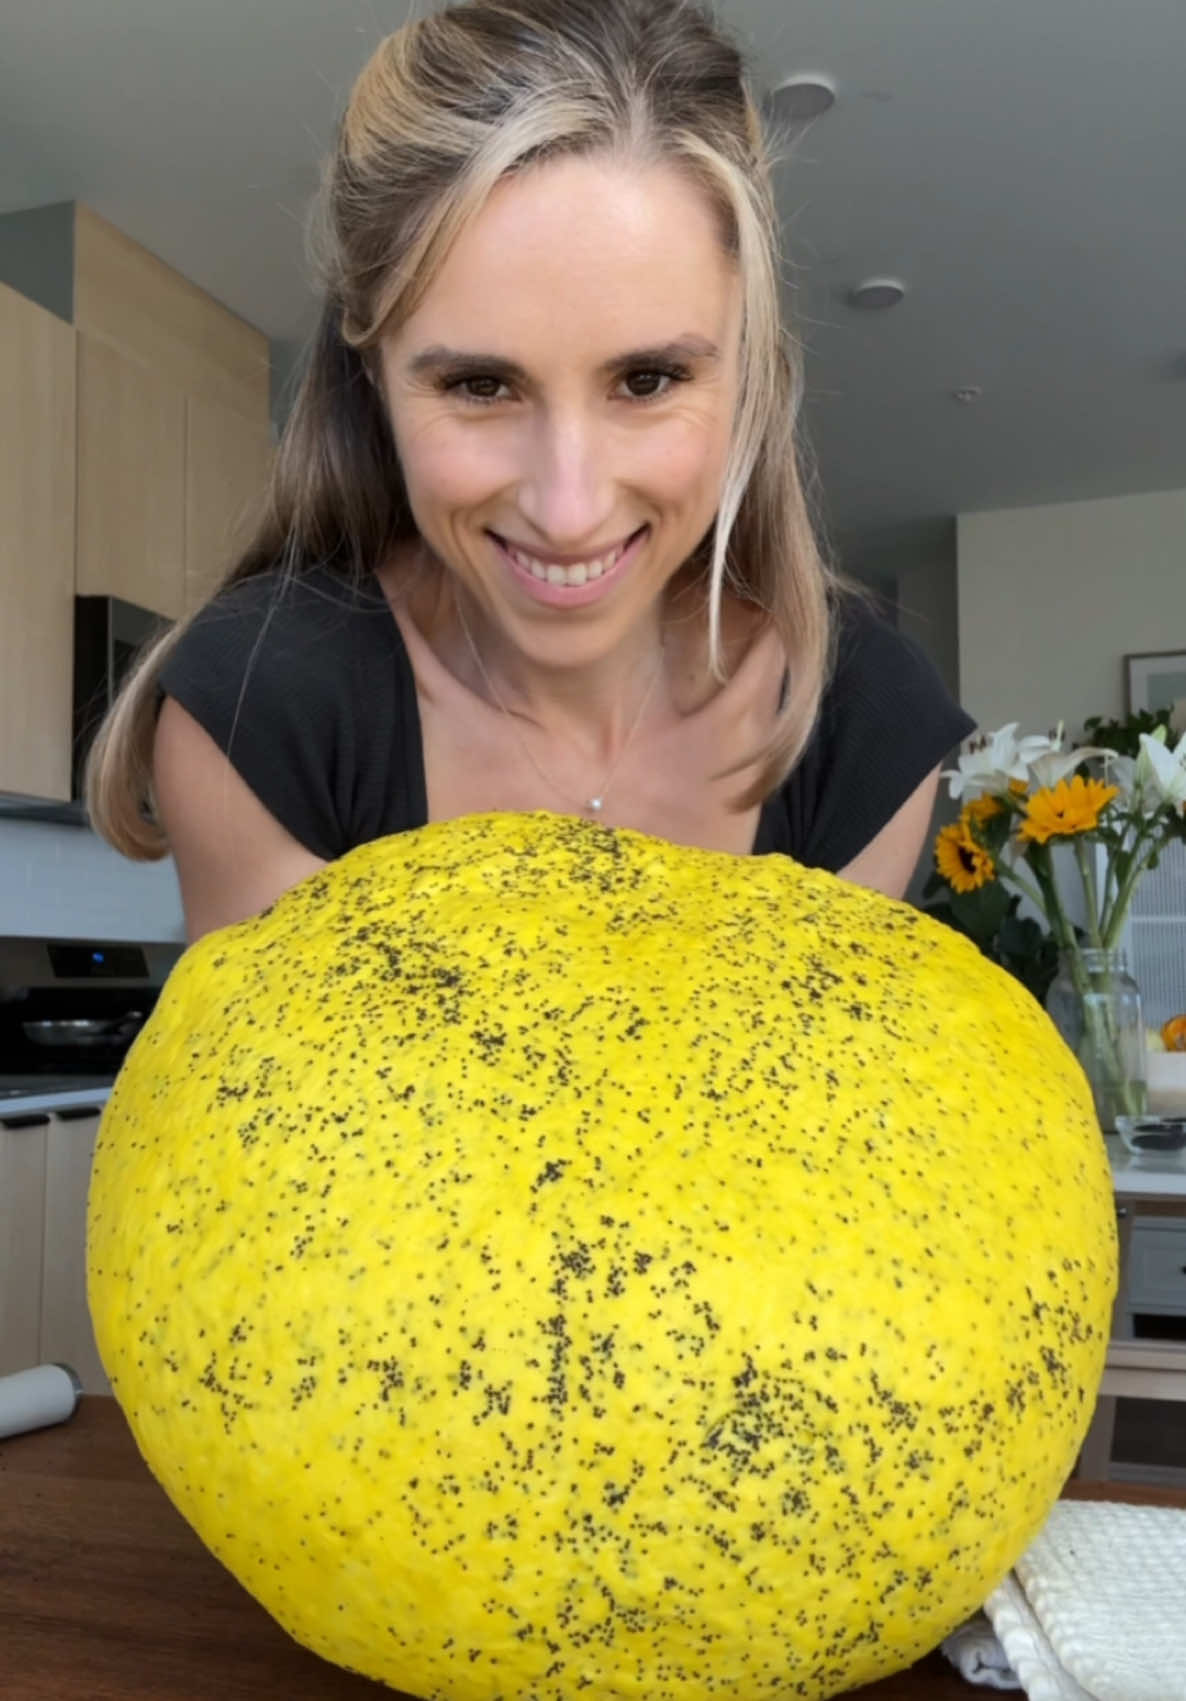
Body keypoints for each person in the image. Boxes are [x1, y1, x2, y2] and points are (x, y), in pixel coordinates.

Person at [88, 0, 974, 944]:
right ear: (372, 371)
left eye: (647, 378)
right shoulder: (267, 711)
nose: (569, 507)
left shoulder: (860, 723)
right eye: (479, 384)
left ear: (749, 360)